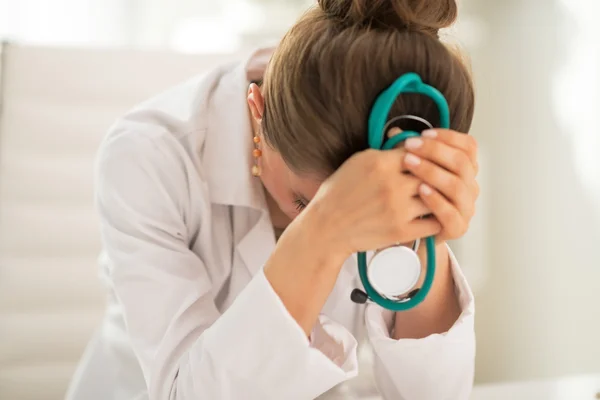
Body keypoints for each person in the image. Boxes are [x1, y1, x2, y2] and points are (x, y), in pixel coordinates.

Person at [66, 0, 479, 399]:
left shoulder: (395, 143)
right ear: (256, 114)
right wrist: (323, 229)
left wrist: (427, 223)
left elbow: (431, 395)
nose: (360, 235)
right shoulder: (149, 155)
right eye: (303, 202)